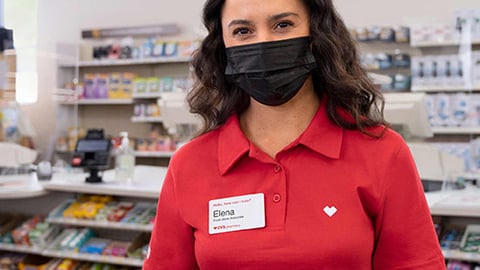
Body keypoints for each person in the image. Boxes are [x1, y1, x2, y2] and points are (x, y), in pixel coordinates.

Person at [143, 0, 446, 269]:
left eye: (283, 25)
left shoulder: (382, 152)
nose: (263, 44)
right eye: (242, 31)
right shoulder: (190, 163)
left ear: (316, 36)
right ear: (223, 47)